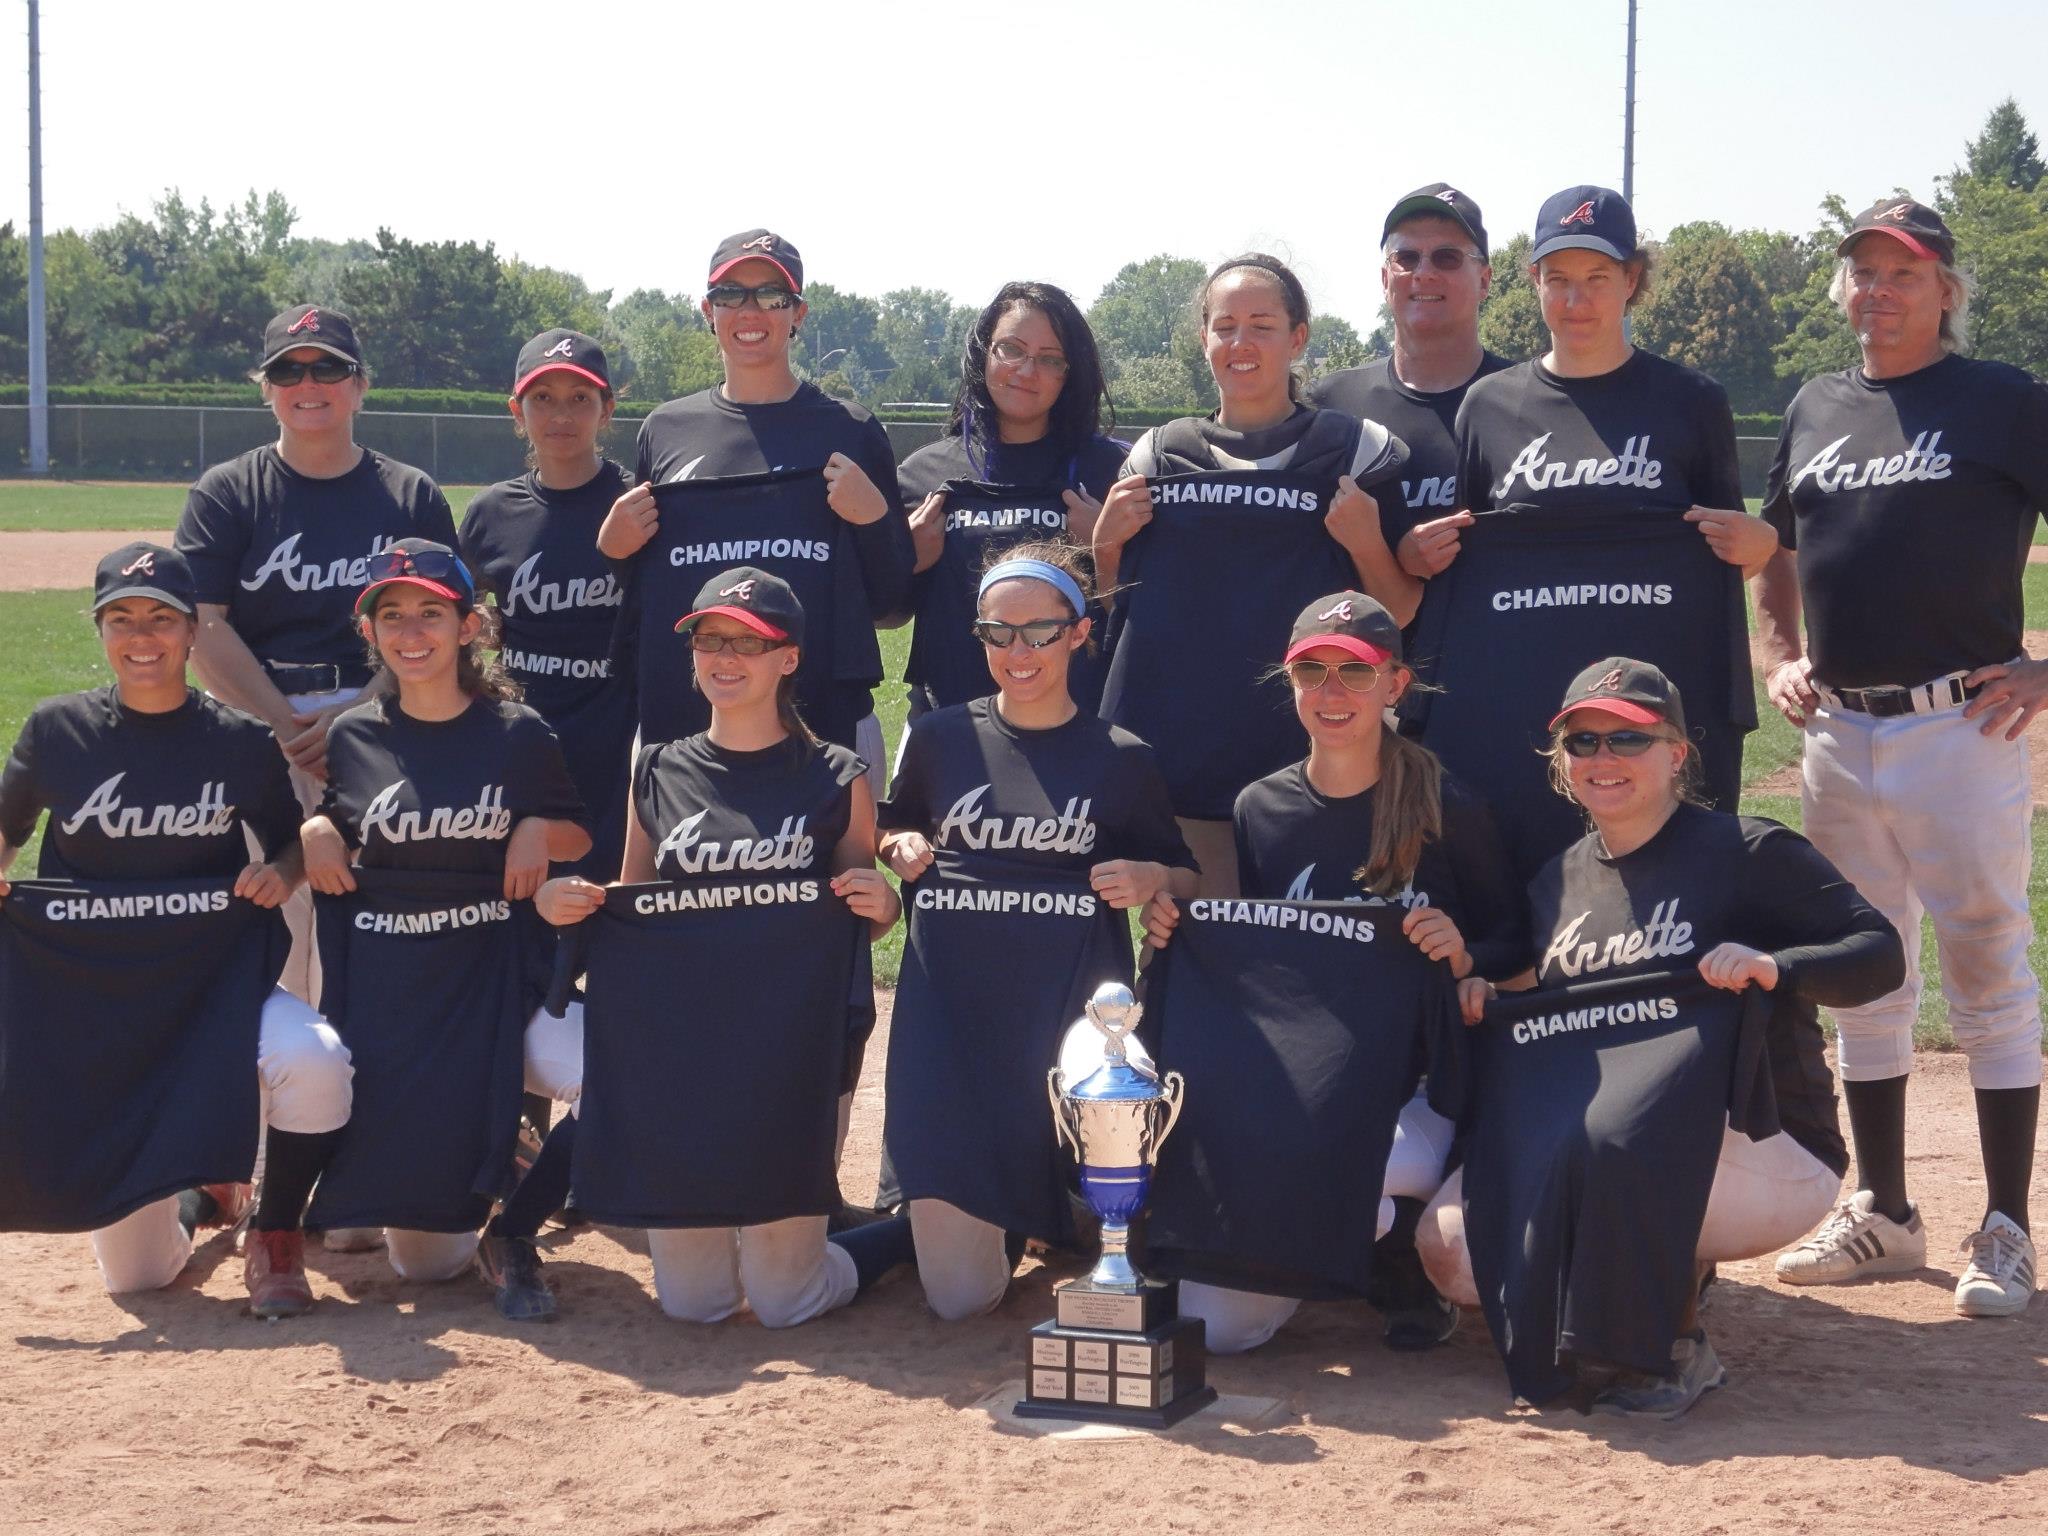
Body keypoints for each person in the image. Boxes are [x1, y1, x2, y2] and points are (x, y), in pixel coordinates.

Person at [1424, 658, 1904, 1417]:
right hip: (1621, 1131)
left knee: (1626, 1142)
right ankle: (1664, 1267)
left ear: (1677, 754)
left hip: (1769, 1142)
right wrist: (1489, 989)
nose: (1603, 758)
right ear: (1562, 761)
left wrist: (1775, 967)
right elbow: (1547, 1018)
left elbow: (1878, 954)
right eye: (1583, 742)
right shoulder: (1556, 881)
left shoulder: (1747, 852)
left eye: (1629, 739)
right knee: (1451, 1251)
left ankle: (1674, 1345)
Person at [1754, 197, 2048, 1317]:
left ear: (1945, 291)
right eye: (1864, 272)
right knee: (1863, 972)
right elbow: (1774, 548)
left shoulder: (2001, 400)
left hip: (1961, 726)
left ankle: (2006, 1226)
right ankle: (1883, 1211)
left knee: (1987, 970)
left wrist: (2045, 669)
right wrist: (1778, 653)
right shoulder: (1816, 405)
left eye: (1904, 272)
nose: (1878, 290)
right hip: (1836, 730)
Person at [1139, 592, 1520, 1353]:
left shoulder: (1446, 805)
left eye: (1356, 671)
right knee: (1220, 1331)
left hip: (1418, 1083)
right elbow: (1268, 963)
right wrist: (1177, 930)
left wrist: (1466, 954)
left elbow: (1516, 941)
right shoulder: (1261, 807)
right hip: (1309, 1077)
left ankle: (1397, 1261)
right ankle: (1325, 1246)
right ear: (1289, 682)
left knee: (1337, 1166)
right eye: (1311, 671)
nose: (1331, 691)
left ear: (1396, 684)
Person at [533, 568, 900, 1327]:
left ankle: (902, 1240)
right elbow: (633, 904)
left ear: (788, 658)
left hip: (794, 1050)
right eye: (709, 640)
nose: (724, 658)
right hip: (684, 1049)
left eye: (748, 643)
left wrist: (884, 905)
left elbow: (853, 920)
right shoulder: (657, 769)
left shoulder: (837, 774)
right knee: (695, 1304)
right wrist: (565, 902)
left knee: (784, 1299)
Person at [0, 543, 353, 1318]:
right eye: (122, 618)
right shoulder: (59, 731)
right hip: (99, 1007)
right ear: (100, 630)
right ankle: (205, 1197)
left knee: (316, 1059)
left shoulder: (237, 739)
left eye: (162, 618)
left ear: (193, 631)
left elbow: (291, 842)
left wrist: (283, 871)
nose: (142, 636)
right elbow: (6, 834)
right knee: (139, 1277)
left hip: (214, 992)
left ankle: (276, 1228)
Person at [1394, 186, 1775, 879]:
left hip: (1651, 706)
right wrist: (1419, 554)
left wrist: (1757, 547)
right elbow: (1469, 560)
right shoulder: (1489, 406)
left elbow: (1719, 561)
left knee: (1662, 880)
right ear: (1533, 281)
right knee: (1514, 884)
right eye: (1559, 278)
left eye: (1598, 277)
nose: (1577, 300)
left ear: (1632, 280)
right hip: (1520, 707)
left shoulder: (1691, 401)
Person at [866, 542, 1198, 1318]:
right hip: (952, 1027)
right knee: (960, 1297)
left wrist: (1150, 877)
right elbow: (892, 824)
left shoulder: (1120, 757)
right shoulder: (941, 737)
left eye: (1040, 631)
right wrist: (896, 844)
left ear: (1079, 633)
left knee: (1092, 1183)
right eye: (998, 632)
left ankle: (1056, 1202)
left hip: (1067, 1033)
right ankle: (961, 1222)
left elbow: (1184, 872)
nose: (1019, 651)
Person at [299, 540, 589, 1290]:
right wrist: (317, 829)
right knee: (426, 1265)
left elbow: (579, 836)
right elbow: (346, 825)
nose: (411, 631)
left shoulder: (517, 730)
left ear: (470, 627)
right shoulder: (354, 735)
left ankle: (518, 1219)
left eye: (431, 612)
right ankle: (501, 1148)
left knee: (616, 1071)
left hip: (503, 979)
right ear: (369, 632)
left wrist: (537, 828)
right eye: (391, 615)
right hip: (401, 994)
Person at [1092, 253, 1411, 893]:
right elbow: (1114, 609)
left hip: (1316, 756)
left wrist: (1368, 543)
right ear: (1203, 339)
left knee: (1314, 934)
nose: (1241, 342)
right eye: (1225, 326)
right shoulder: (1160, 455)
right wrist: (1104, 545)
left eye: (1262, 326)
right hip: (1186, 753)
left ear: (1298, 337)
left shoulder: (1356, 450)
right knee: (1192, 933)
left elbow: (1398, 612)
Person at [174, 305, 459, 1009]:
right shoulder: (228, 492)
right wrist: (282, 724)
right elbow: (202, 624)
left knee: (381, 911)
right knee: (267, 914)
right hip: (256, 726)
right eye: (288, 371)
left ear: (359, 385)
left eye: (328, 367)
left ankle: (373, 1069)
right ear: (265, 389)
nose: (309, 384)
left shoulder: (409, 495)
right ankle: (280, 1078)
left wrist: (354, 720)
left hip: (384, 723)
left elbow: (442, 625)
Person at [597, 230, 913, 789]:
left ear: (798, 313)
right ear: (708, 310)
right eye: (730, 294)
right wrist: (614, 552)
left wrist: (872, 520)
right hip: (687, 731)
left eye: (771, 295)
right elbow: (648, 587)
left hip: (821, 732)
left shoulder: (851, 429)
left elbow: (892, 601)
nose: (750, 310)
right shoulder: (666, 431)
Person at [895, 281, 1125, 718]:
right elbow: (886, 614)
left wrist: (1104, 549)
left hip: (1078, 727)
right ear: (984, 353)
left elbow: (1142, 617)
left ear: (1070, 374)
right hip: (950, 726)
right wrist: (903, 560)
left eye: (1050, 359)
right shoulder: (925, 472)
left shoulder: (1112, 472)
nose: (1026, 370)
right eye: (1011, 349)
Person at [459, 329, 635, 884]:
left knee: (609, 898)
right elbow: (454, 620)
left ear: (607, 409)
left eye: (580, 398)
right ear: (517, 410)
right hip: (524, 738)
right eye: (543, 398)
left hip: (618, 739)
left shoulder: (637, 503)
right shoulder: (492, 512)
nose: (562, 414)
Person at [1311, 185, 1512, 569]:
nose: (1424, 273)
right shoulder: (1329, 406)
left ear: (1485, 280)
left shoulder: (1528, 402)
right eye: (1406, 258)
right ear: (1385, 279)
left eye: (1447, 258)